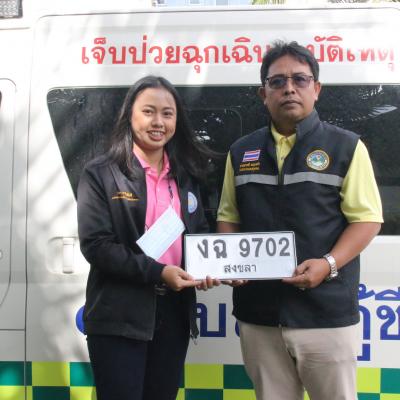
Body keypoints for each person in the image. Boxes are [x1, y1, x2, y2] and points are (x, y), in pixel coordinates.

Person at [216, 41, 383, 400]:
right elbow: (228, 216)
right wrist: (229, 261)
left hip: (325, 313)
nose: (289, 88)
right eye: (277, 81)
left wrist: (328, 264)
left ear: (316, 89)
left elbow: (367, 220)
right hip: (259, 315)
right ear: (263, 94)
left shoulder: (346, 147)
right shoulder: (241, 151)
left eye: (300, 79)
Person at [77, 75, 212, 400]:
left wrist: (214, 267)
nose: (158, 122)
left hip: (174, 312)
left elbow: (200, 235)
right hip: (119, 314)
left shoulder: (186, 176)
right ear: (129, 115)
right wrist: (159, 272)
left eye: (168, 113)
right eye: (149, 111)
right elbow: (97, 246)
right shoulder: (102, 173)